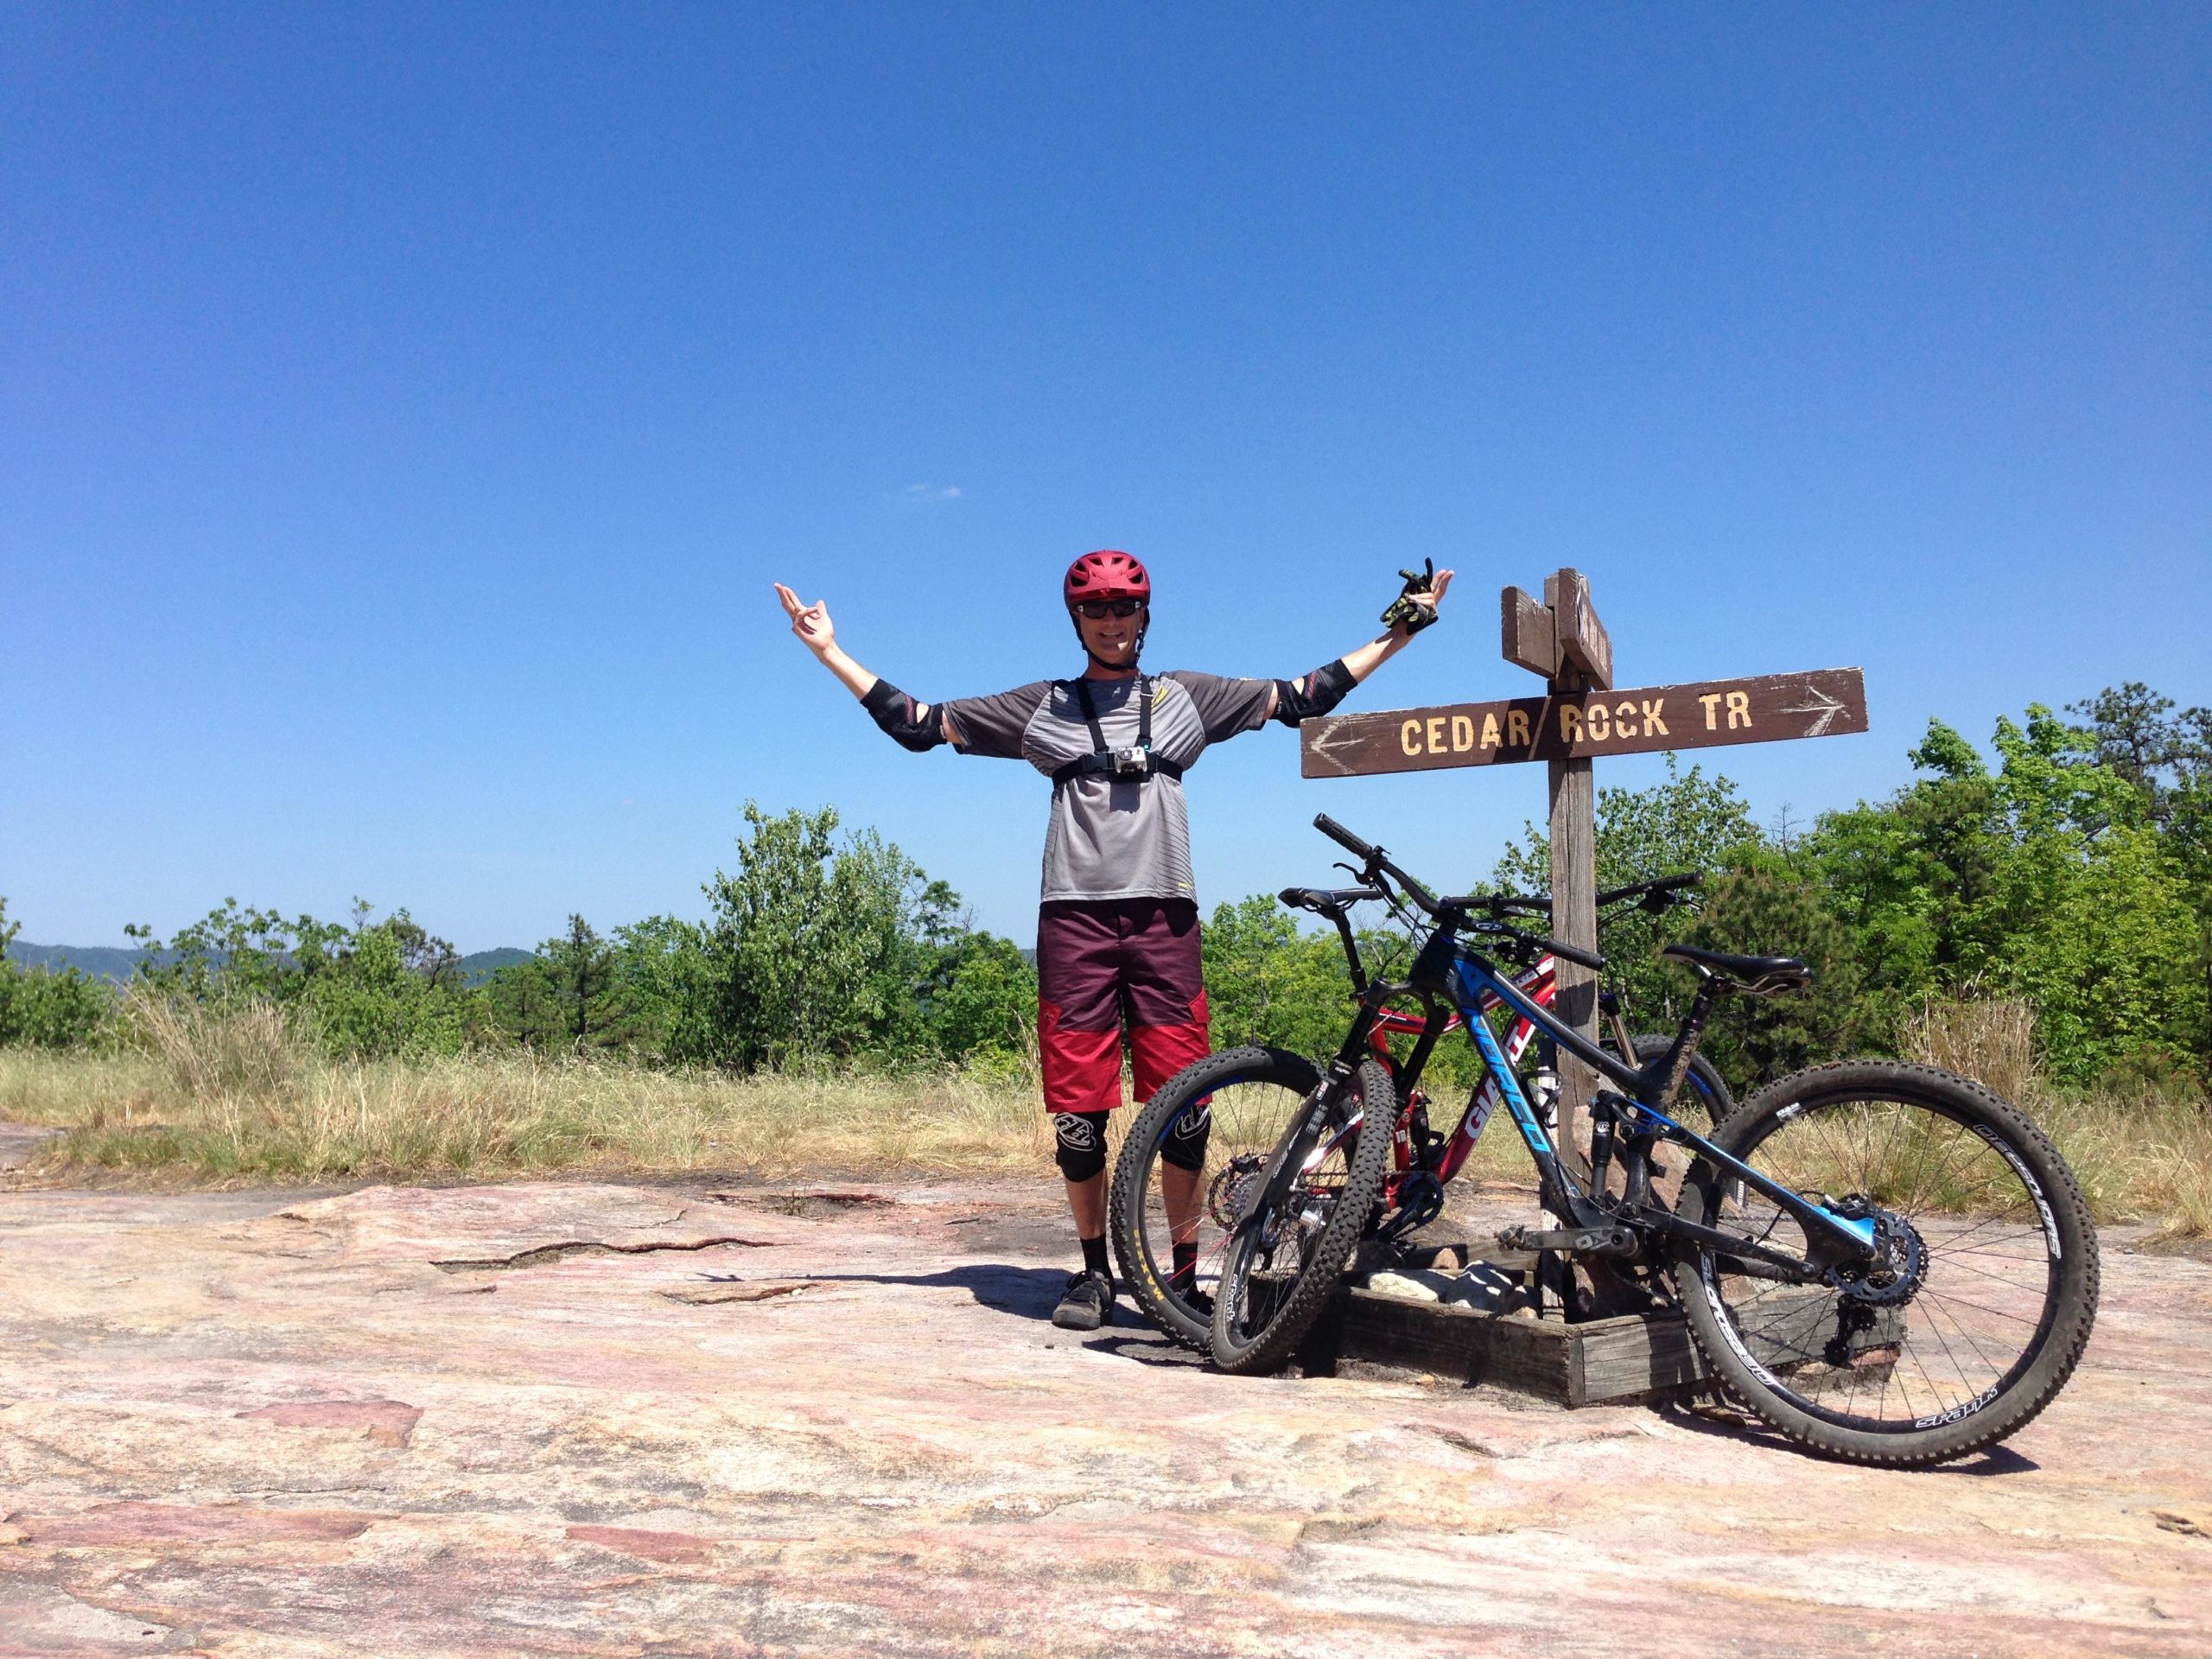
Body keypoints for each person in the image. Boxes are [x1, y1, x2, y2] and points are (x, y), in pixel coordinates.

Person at [773, 551, 1452, 1331]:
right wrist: (827, 649)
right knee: (1079, 1114)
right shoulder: (1045, 707)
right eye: (1096, 610)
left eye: (1124, 608)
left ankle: (1185, 1277)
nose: (1112, 621)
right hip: (1075, 922)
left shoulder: (1187, 698)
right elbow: (920, 726)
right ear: (1078, 620)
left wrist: (1401, 633)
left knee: (1187, 1106)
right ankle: (1094, 1274)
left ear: (1144, 616)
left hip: (1166, 919)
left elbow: (1305, 696)